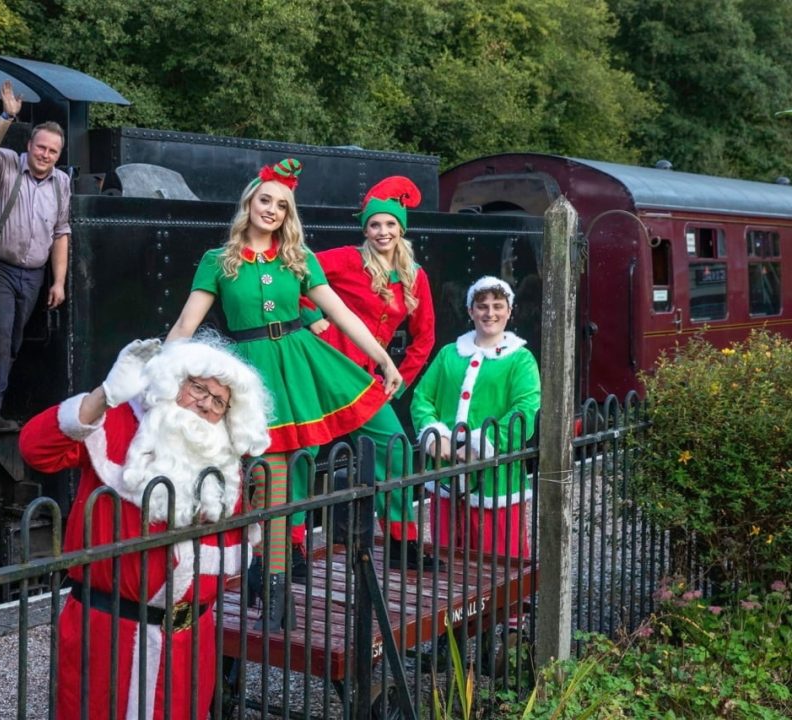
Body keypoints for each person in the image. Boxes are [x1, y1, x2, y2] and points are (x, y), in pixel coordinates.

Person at [166, 158, 405, 631]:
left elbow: (341, 316)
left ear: (288, 214)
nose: (272, 210)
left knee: (286, 480)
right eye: (265, 200)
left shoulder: (299, 259)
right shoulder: (218, 262)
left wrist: (383, 358)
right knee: (260, 485)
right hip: (250, 376)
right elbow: (185, 327)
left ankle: (274, 587)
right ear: (250, 203)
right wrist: (155, 378)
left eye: (282, 204)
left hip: (298, 367)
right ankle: (258, 582)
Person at [19, 335, 271, 720]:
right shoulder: (121, 424)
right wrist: (103, 395)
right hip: (109, 634)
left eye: (219, 402)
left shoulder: (222, 459)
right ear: (175, 383)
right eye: (198, 387)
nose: (204, 403)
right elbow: (36, 449)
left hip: (191, 641)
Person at [299, 175, 436, 561]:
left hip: (364, 383)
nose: (382, 231)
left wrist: (400, 382)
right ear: (365, 229)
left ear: (401, 228)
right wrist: (312, 316)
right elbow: (293, 274)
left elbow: (423, 338)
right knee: (302, 455)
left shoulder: (415, 277)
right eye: (374, 224)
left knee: (397, 450)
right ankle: (289, 550)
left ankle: (400, 541)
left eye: (390, 224)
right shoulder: (346, 259)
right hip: (321, 372)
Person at [410, 275, 540, 630]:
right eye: (482, 306)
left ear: (509, 311)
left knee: (500, 553)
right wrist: (434, 434)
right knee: (450, 551)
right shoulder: (449, 355)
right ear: (470, 311)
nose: (490, 313)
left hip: (496, 481)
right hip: (448, 480)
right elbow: (423, 398)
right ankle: (455, 621)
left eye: (498, 306)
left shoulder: (521, 360)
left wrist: (482, 445)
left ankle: (508, 622)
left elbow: (524, 411)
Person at [0, 80, 71, 431]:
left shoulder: (62, 183)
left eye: (52, 152)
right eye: (41, 147)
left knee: (14, 340)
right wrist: (7, 116)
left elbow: (61, 232)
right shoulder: (7, 164)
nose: (45, 155)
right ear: (29, 145)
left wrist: (58, 281)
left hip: (32, 274)